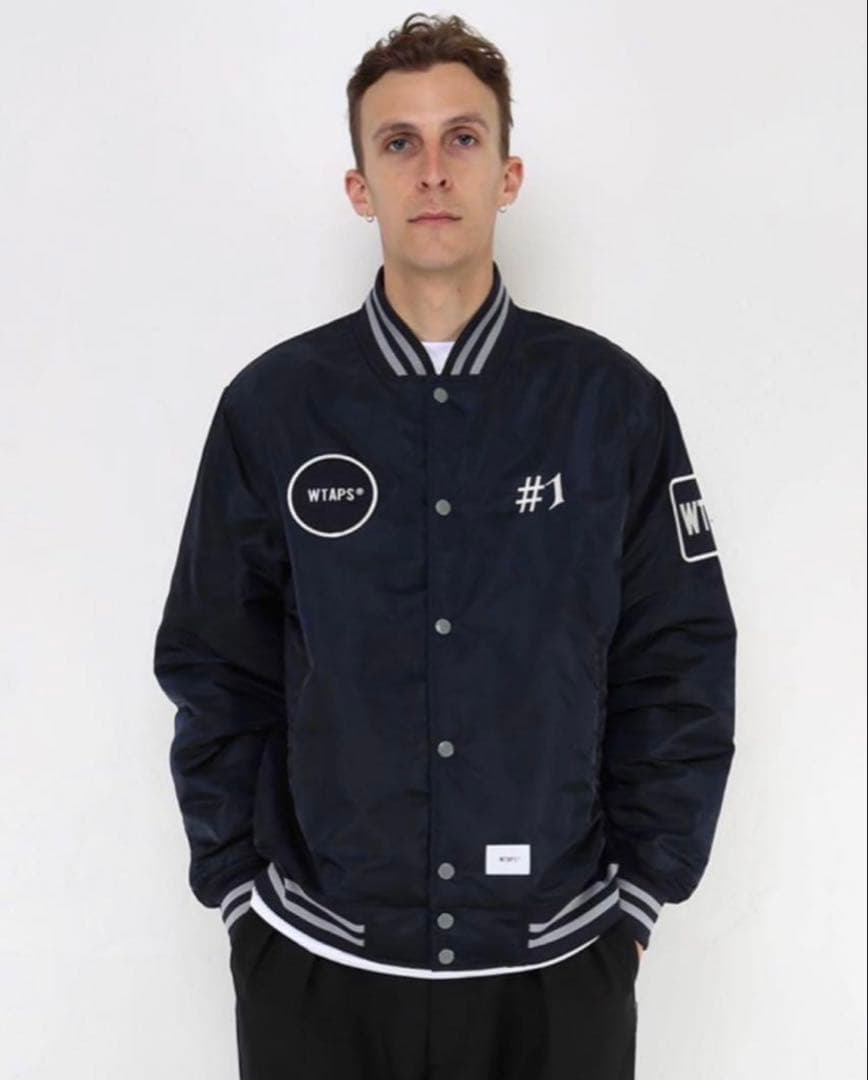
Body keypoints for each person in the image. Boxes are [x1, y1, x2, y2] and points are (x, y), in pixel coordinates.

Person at [153, 12, 737, 1080]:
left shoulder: (611, 407)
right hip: (317, 965)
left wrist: (639, 899)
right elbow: (214, 663)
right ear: (359, 185)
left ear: (508, 175)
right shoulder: (272, 409)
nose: (432, 171)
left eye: (462, 138)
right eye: (399, 143)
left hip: (558, 965)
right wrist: (239, 894)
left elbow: (680, 656)